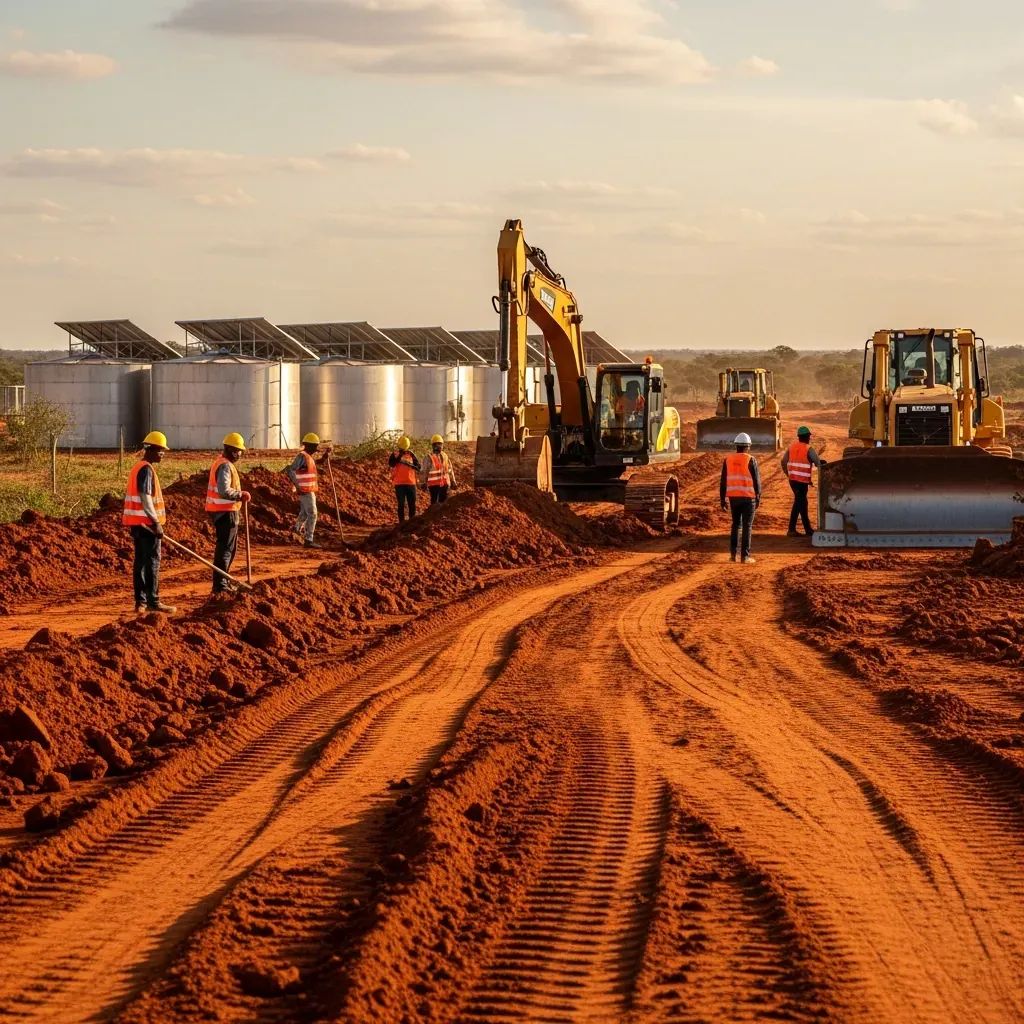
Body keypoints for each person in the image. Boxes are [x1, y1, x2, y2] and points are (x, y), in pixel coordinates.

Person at [123, 430, 176, 614]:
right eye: (161, 450)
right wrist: (156, 522)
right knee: (152, 562)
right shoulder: (146, 469)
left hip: (138, 523)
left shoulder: (139, 467)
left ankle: (141, 603)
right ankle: (152, 601)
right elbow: (145, 498)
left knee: (141, 562)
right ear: (151, 450)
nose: (162, 454)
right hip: (147, 525)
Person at [205, 432, 251, 594]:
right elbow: (224, 490)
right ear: (232, 450)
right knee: (226, 549)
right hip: (225, 512)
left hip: (224, 511)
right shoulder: (224, 465)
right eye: (238, 450)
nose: (240, 454)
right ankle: (220, 585)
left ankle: (222, 582)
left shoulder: (222, 463)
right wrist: (240, 494)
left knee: (229, 548)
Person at [720, 431, 762, 564]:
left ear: (736, 446)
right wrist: (758, 497)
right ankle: (745, 557)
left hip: (734, 498)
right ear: (748, 446)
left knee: (735, 525)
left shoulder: (728, 460)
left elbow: (723, 481)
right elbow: (756, 481)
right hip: (748, 499)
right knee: (747, 526)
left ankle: (732, 556)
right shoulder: (751, 459)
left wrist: (722, 499)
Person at [780, 425, 821, 537]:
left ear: (799, 437)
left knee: (802, 503)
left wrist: (788, 474)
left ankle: (808, 529)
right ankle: (791, 529)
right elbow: (818, 464)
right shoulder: (809, 449)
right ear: (807, 437)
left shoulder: (791, 447)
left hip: (792, 480)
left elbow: (783, 462)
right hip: (802, 482)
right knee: (799, 503)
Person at [287, 432, 322, 548]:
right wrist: (298, 486)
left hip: (307, 489)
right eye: (315, 447)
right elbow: (291, 470)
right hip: (305, 490)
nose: (316, 449)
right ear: (310, 446)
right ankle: (309, 539)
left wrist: (325, 457)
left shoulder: (308, 457)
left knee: (304, 513)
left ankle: (296, 530)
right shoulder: (302, 456)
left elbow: (311, 466)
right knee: (313, 514)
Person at [388, 435, 421, 523]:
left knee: (412, 504)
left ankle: (411, 522)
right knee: (401, 504)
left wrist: (414, 466)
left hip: (410, 483)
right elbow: (392, 464)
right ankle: (401, 523)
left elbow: (418, 466)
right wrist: (400, 456)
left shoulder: (411, 454)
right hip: (399, 484)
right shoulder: (395, 454)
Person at [420, 433, 457, 505]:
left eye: (440, 444)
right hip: (434, 485)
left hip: (445, 483)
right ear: (433, 445)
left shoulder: (445, 456)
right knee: (434, 503)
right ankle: (433, 516)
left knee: (444, 504)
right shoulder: (428, 457)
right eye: (436, 444)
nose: (438, 446)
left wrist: (453, 481)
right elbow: (424, 471)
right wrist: (423, 483)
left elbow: (450, 469)